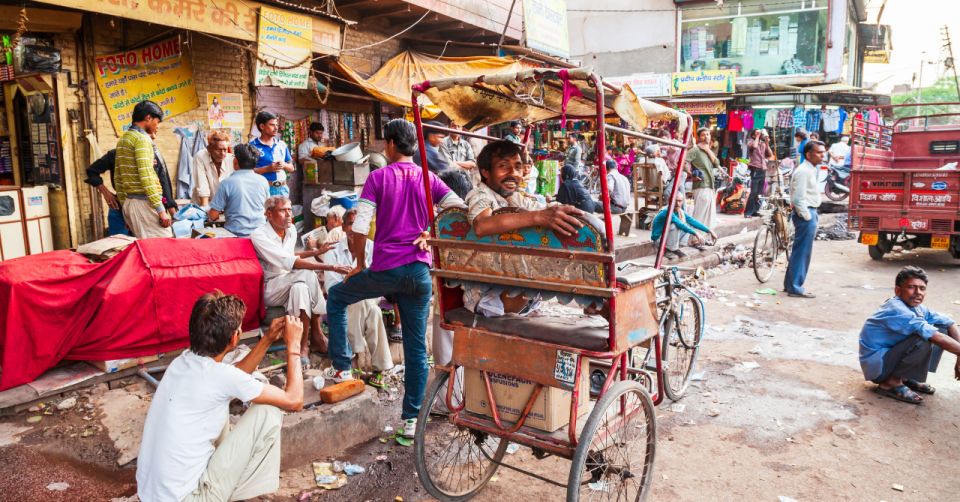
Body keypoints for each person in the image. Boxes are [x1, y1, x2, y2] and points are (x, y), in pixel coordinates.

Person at [326, 119, 464, 440]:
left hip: (385, 271)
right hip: (418, 274)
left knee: (337, 297)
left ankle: (342, 365)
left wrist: (360, 264)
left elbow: (359, 227)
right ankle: (410, 421)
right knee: (417, 350)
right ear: (413, 146)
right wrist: (432, 233)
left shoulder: (378, 178)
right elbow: (459, 208)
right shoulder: (429, 179)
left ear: (389, 144)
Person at [137, 292, 304, 501]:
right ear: (234, 338)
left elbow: (235, 377)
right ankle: (237, 489)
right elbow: (294, 400)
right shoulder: (219, 376)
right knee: (268, 410)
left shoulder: (182, 362)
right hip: (191, 498)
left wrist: (268, 338)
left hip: (151, 495)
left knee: (223, 399)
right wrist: (294, 345)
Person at [463, 140, 583, 317]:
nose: (513, 174)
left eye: (518, 167)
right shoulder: (480, 194)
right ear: (485, 172)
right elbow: (482, 225)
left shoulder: (513, 197)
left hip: (512, 280)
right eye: (503, 167)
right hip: (488, 294)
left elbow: (536, 207)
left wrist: (562, 212)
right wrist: (538, 217)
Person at [250, 196, 349, 366]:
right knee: (306, 273)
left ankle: (303, 347)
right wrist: (332, 267)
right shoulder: (259, 235)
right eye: (283, 210)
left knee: (301, 288)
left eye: (290, 209)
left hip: (290, 281)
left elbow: (291, 255)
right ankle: (317, 332)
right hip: (271, 288)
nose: (289, 214)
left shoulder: (291, 230)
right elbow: (287, 261)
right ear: (268, 214)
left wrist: (315, 252)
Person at [859, 266, 960, 404]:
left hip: (889, 358)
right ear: (898, 290)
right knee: (924, 338)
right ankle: (890, 383)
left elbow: (949, 323)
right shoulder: (897, 309)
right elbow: (933, 336)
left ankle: (906, 377)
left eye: (922, 288)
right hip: (878, 368)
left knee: (940, 328)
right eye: (911, 287)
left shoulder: (916, 307)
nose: (918, 292)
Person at [322, 209, 394, 387]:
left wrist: (355, 284)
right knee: (373, 311)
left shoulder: (372, 248)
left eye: (358, 224)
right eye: (350, 224)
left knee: (365, 303)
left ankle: (352, 358)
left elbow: (378, 283)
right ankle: (381, 368)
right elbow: (332, 287)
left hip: (368, 299)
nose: (354, 229)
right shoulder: (334, 250)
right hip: (344, 305)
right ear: (344, 227)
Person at [115, 100, 174, 239]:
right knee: (164, 246)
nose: (156, 126)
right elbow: (146, 176)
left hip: (130, 204)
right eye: (157, 122)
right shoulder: (142, 139)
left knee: (146, 249)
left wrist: (125, 209)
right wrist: (161, 210)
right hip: (144, 204)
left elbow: (118, 177)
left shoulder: (124, 139)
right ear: (148, 118)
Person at [784, 140, 824, 298]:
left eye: (823, 152)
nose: (822, 155)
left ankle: (790, 285)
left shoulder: (811, 170)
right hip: (806, 214)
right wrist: (807, 216)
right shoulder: (803, 171)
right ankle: (795, 287)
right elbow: (798, 197)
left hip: (809, 212)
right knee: (802, 252)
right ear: (808, 154)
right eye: (819, 152)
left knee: (799, 251)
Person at [208, 144, 271, 237]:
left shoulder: (226, 183)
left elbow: (212, 216)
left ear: (235, 161)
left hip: (235, 236)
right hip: (260, 235)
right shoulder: (263, 181)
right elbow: (266, 208)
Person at [415, 121, 472, 199]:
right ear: (431, 136)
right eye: (440, 137)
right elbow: (449, 169)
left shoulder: (422, 148)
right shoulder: (430, 152)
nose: (442, 140)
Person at [650, 202, 717, 259]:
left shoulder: (680, 211)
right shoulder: (666, 211)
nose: (677, 203)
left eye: (679, 201)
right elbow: (680, 224)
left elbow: (693, 221)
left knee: (689, 223)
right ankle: (669, 250)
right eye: (675, 201)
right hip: (659, 241)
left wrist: (709, 231)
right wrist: (695, 233)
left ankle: (689, 243)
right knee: (676, 225)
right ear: (671, 201)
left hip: (667, 238)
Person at [251, 111, 294, 197]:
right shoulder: (252, 146)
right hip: (262, 189)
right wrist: (267, 169)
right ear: (262, 126)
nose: (276, 128)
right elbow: (248, 172)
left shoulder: (282, 144)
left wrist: (284, 165)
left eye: (276, 125)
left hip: (282, 189)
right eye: (272, 125)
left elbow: (291, 168)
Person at [687, 127, 720, 240]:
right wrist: (691, 174)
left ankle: (703, 239)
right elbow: (683, 162)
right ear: (699, 137)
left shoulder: (708, 150)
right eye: (703, 135)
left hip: (710, 186)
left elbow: (716, 163)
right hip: (701, 185)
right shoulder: (695, 150)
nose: (706, 136)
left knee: (709, 216)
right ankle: (694, 239)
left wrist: (707, 150)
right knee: (700, 215)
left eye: (708, 134)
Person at [192, 130, 234, 207]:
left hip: (222, 207)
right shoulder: (200, 156)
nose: (222, 154)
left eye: (225, 150)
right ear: (209, 149)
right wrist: (205, 209)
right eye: (218, 150)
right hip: (202, 204)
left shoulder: (231, 159)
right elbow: (202, 186)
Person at [744, 128, 774, 217]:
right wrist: (757, 136)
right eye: (756, 133)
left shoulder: (763, 143)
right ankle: (748, 212)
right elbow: (755, 147)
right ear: (753, 135)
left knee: (759, 192)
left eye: (759, 133)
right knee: (753, 191)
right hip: (755, 168)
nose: (759, 134)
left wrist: (767, 143)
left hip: (762, 168)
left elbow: (770, 154)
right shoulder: (750, 142)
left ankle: (755, 210)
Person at [440, 122, 479, 186]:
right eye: (453, 126)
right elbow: (449, 165)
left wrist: (455, 163)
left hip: (465, 181)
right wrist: (465, 167)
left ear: (461, 129)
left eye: (458, 126)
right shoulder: (443, 142)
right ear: (449, 127)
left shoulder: (466, 144)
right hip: (449, 181)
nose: (456, 128)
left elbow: (472, 164)